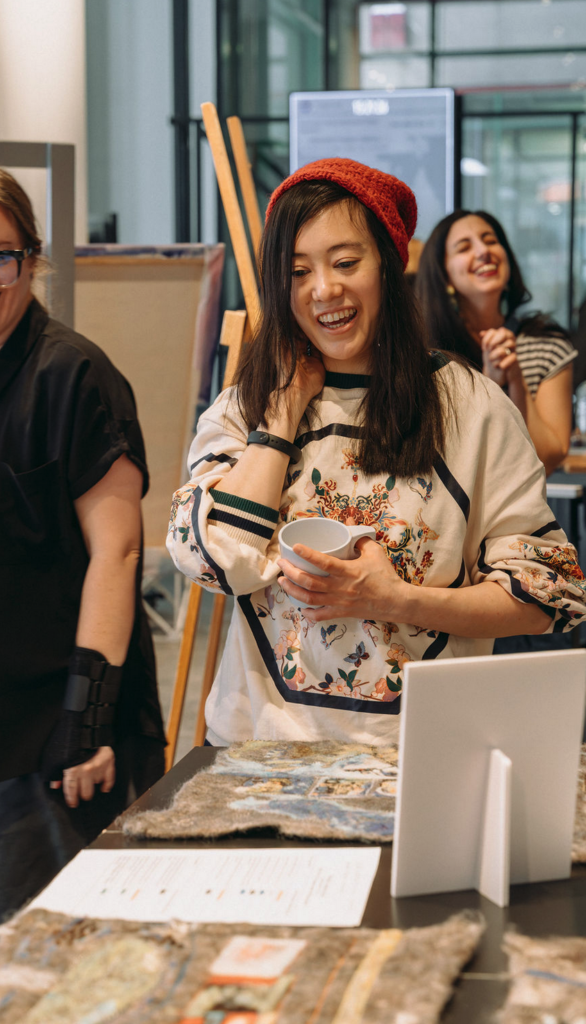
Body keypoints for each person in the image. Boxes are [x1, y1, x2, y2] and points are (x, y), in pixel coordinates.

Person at [168, 158, 586, 749]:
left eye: (345, 263)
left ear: (388, 266)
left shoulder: (471, 406)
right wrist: (281, 417)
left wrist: (395, 599)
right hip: (259, 755)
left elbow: (546, 594)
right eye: (298, 271)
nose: (324, 290)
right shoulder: (246, 405)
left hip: (418, 757)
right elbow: (215, 561)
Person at [0, 165, 165, 967]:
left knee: (57, 949)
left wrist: (86, 723)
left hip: (43, 709)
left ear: (31, 258)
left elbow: (117, 553)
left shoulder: (73, 376)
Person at [415, 210, 576, 475]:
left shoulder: (547, 345)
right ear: (444, 275)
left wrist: (515, 380)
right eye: (464, 247)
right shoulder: (425, 354)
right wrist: (489, 384)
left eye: (490, 240)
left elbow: (546, 460)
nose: (483, 251)